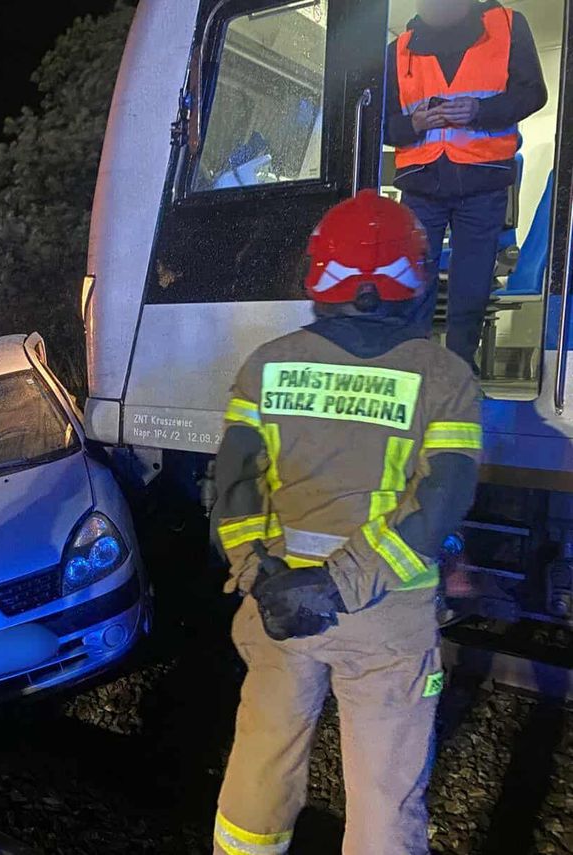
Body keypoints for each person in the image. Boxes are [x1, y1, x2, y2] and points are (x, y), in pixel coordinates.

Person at [209, 191, 482, 855]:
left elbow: (233, 484)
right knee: (385, 795)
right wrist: (341, 585)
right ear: (415, 281)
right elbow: (439, 499)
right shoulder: (445, 377)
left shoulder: (265, 365)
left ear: (318, 274)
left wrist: (259, 573)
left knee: (261, 763)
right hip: (386, 615)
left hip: (278, 609)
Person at [385, 0, 547, 371]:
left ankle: (458, 372)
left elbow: (533, 93)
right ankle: (413, 369)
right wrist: (415, 125)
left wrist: (480, 111)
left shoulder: (508, 25)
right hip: (421, 182)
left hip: (483, 178)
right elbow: (381, 122)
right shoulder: (398, 50)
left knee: (471, 287)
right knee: (411, 282)